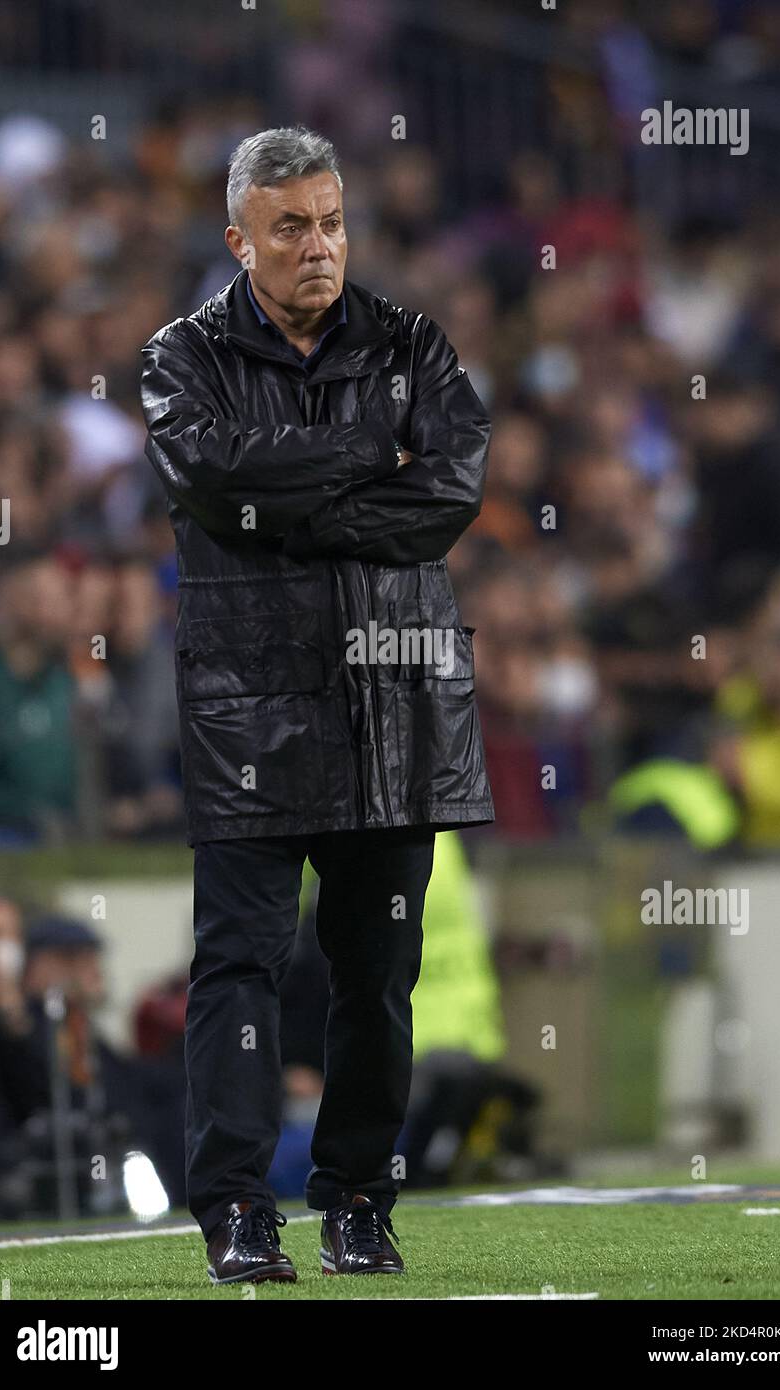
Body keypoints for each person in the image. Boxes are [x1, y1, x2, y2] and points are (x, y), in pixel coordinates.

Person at [140, 126, 493, 1283]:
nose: (318, 246)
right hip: (247, 708)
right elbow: (209, 476)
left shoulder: (413, 345)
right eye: (290, 226)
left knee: (376, 973)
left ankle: (354, 1201)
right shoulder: (180, 359)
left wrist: (286, 488)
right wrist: (361, 461)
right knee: (236, 963)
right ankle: (239, 1208)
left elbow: (446, 493)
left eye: (331, 221)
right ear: (239, 238)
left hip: (392, 700)